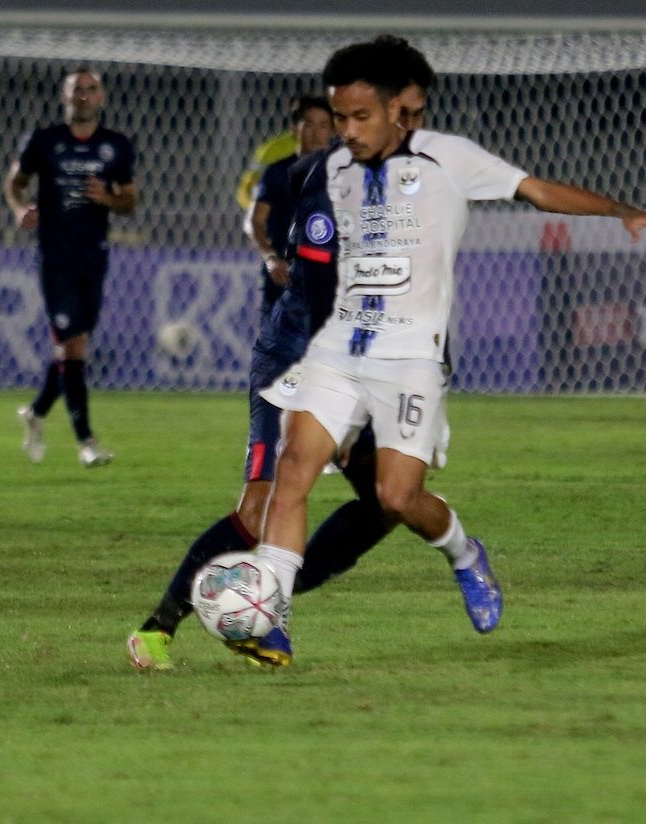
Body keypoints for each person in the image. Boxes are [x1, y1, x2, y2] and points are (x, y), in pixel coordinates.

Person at [242, 35, 646, 667]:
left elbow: (535, 190)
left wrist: (624, 211)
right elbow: (319, 266)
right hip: (339, 348)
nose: (346, 131)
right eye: (338, 118)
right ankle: (271, 624)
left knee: (398, 498)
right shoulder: (330, 171)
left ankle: (464, 554)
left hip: (410, 358)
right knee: (294, 470)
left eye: (359, 117)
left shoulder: (448, 158)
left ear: (399, 109)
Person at [125, 90, 430, 671]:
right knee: (259, 506)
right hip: (295, 358)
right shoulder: (311, 177)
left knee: (389, 500)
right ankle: (158, 628)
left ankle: (266, 601)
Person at [4, 67, 138, 466]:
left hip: (93, 257)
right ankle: (87, 442)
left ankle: (35, 412)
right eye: (76, 90)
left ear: (102, 98)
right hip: (55, 256)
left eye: (90, 90)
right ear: (64, 97)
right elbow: (15, 182)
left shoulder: (117, 146)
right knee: (69, 346)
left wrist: (108, 199)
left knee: (75, 350)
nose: (83, 96)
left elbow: (130, 201)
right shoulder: (44, 141)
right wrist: (19, 209)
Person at [246, 95, 334, 321]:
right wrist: (270, 258)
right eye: (309, 124)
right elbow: (254, 221)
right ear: (295, 129)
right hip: (283, 285)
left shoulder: (343, 175)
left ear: (332, 132)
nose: (316, 132)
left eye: (323, 125)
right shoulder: (276, 171)